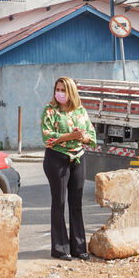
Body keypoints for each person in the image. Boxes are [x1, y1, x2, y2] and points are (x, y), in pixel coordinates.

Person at [41, 76, 97, 261]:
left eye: (64, 90)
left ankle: (79, 247)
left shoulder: (81, 111)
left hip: (78, 158)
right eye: (58, 89)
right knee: (59, 202)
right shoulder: (50, 111)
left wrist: (82, 138)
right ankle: (59, 248)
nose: (60, 93)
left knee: (76, 203)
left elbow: (91, 135)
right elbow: (48, 137)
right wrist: (70, 136)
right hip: (56, 158)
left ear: (71, 92)